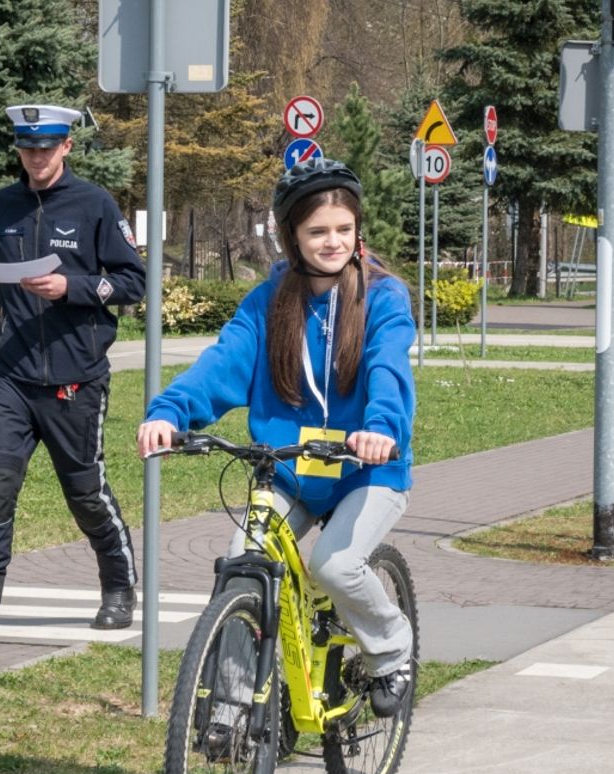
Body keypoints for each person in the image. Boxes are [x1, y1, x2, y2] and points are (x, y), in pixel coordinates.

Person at [136, 158, 416, 717]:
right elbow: (224, 363)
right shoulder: (269, 302)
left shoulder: (383, 297)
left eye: (343, 228)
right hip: (292, 466)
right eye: (317, 232)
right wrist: (170, 412)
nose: (332, 242)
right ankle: (234, 710)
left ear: (359, 230)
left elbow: (388, 367)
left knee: (335, 566)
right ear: (291, 237)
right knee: (245, 566)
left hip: (367, 467)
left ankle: (391, 650)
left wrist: (380, 429)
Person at [0, 103, 147, 654]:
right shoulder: (3, 206)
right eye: (28, 149)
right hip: (8, 377)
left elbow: (132, 281)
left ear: (67, 147)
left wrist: (71, 288)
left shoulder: (95, 204)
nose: (37, 158)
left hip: (76, 378)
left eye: (47, 148)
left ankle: (119, 586)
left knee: (85, 492)